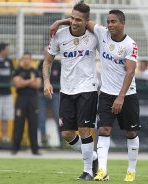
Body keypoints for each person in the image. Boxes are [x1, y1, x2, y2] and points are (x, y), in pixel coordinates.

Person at [50, 8, 140, 182]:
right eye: (108, 21)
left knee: (131, 133)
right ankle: (102, 171)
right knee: (104, 130)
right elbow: (78, 21)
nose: (110, 25)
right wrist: (59, 22)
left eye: (113, 22)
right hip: (106, 93)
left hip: (127, 95)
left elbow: (130, 72)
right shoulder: (101, 33)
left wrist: (121, 97)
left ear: (122, 23)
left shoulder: (130, 44)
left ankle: (131, 170)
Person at [43, 2, 99, 180]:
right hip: (67, 90)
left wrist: (60, 21)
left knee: (84, 130)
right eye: (72, 18)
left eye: (79, 20)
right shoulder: (58, 36)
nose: (74, 22)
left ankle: (88, 171)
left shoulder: (95, 36)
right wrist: (46, 82)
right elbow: (48, 61)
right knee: (67, 134)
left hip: (87, 88)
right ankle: (93, 157)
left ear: (86, 21)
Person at [12, 52, 41, 155]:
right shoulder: (17, 71)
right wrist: (30, 81)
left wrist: (25, 82)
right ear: (22, 60)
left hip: (33, 100)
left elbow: (37, 85)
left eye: (28, 58)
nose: (26, 60)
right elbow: (18, 84)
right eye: (24, 58)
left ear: (31, 60)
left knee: (33, 124)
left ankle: (35, 149)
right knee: (18, 124)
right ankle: (15, 148)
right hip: (21, 99)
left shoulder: (35, 71)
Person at [37, 46, 62, 147]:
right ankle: (44, 140)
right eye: (44, 52)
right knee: (41, 117)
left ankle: (63, 141)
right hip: (42, 94)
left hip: (55, 94)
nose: (46, 54)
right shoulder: (40, 64)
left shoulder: (58, 65)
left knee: (58, 117)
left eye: (48, 52)